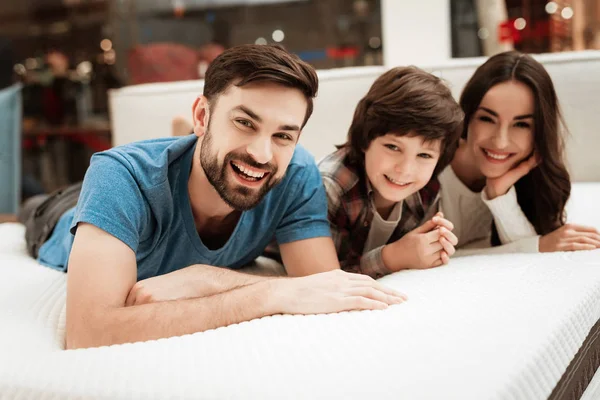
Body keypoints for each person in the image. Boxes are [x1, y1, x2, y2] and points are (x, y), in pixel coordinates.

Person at [21, 44, 405, 350]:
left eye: (283, 135)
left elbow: (322, 285)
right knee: (36, 207)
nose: (262, 153)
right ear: (202, 116)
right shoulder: (118, 176)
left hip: (176, 169)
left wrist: (202, 281)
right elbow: (90, 334)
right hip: (59, 216)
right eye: (244, 122)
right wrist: (259, 291)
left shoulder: (295, 174)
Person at [439, 50, 600, 254]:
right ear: (467, 116)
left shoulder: (532, 182)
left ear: (539, 131)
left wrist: (499, 194)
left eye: (521, 124)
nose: (500, 141)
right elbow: (425, 259)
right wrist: (536, 246)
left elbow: (523, 263)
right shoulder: (425, 166)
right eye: (487, 119)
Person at [318, 66, 464, 279]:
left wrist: (433, 248)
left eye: (424, 155)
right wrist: (391, 258)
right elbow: (323, 275)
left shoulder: (427, 191)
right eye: (393, 147)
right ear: (366, 140)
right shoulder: (331, 184)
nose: (405, 169)